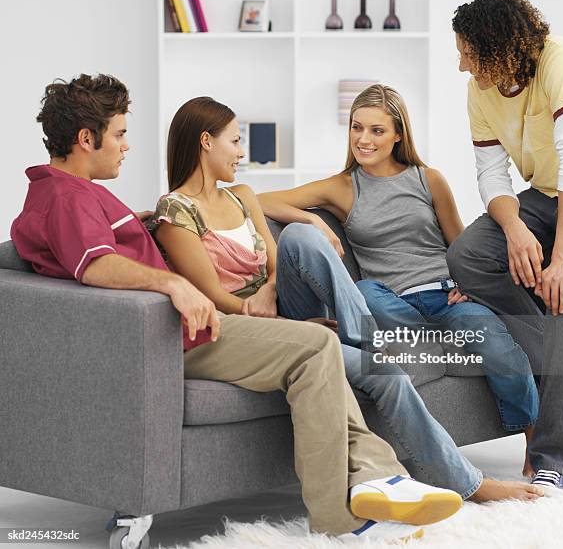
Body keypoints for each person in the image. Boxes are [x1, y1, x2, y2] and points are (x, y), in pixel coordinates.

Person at [10, 73, 467, 543]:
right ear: (87, 138)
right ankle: (348, 505)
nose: (127, 146)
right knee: (314, 347)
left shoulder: (73, 193)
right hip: (170, 339)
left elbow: (96, 249)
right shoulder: (66, 195)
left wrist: (141, 228)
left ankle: (372, 482)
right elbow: (96, 265)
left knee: (317, 349)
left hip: (180, 332)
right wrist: (172, 283)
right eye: (120, 133)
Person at [150, 94, 543, 504]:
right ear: (206, 142)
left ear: (397, 135)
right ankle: (466, 483)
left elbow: (273, 262)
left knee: (304, 239)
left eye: (376, 130)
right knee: (371, 319)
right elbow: (213, 293)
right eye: (234, 141)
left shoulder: (243, 195)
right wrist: (313, 219)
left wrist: (292, 251)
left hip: (393, 300)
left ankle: (523, 439)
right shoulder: (178, 211)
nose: (242, 151)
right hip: (302, 320)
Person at [447, 0, 563, 494]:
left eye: (468, 54)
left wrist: (561, 259)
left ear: (499, 48)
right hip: (540, 196)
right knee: (468, 256)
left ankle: (556, 459)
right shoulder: (483, 87)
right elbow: (492, 176)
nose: (461, 66)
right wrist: (515, 228)